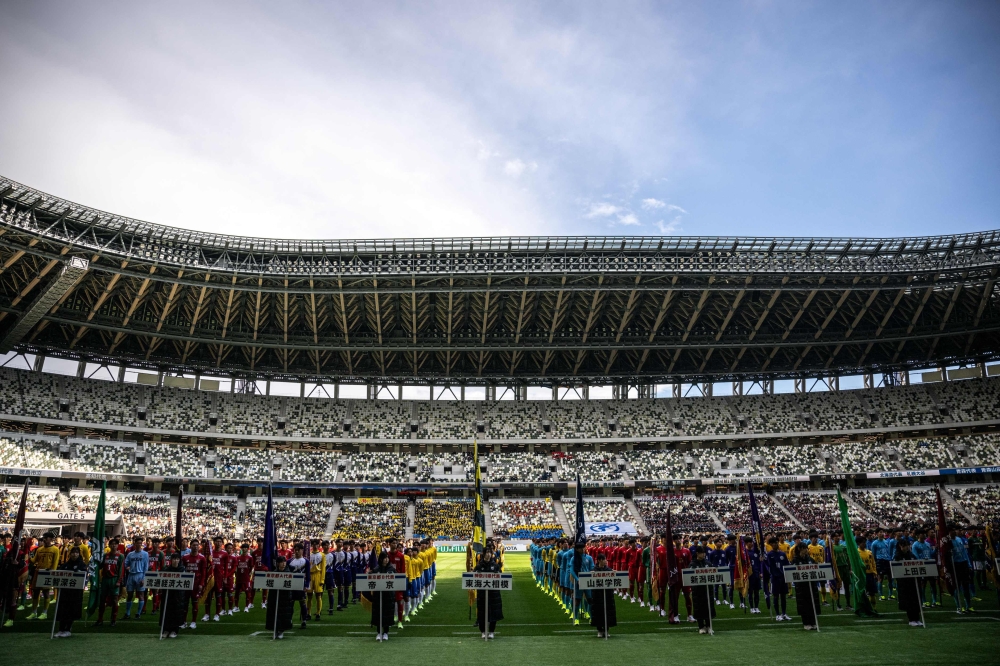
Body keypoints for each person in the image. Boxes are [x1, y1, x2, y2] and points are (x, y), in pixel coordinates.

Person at [53, 546, 87, 638]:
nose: (74, 554)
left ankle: (68, 629)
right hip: (65, 592)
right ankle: (61, 629)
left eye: (76, 552)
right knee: (63, 610)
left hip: (75, 593)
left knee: (71, 610)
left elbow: (84, 576)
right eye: (73, 552)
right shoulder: (65, 565)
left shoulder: (82, 565)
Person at [26, 532, 60, 620]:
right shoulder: (39, 549)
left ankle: (45, 612)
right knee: (35, 593)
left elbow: (55, 563)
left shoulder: (55, 549)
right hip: (38, 573)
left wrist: (52, 572)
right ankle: (34, 612)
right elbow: (34, 560)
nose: (45, 539)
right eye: (44, 538)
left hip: (47, 574)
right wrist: (28, 557)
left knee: (46, 593)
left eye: (47, 538)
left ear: (51, 539)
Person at [94, 537, 125, 627]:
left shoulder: (120, 556)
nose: (113, 545)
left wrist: (119, 581)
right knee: (102, 600)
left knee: (115, 600)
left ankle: (113, 620)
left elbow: (121, 570)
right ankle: (100, 619)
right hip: (105, 580)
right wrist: (95, 561)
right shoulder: (105, 555)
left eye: (115, 544)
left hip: (114, 579)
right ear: (109, 545)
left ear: (117, 545)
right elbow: (100, 566)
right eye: (112, 544)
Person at [475, 545, 504, 639]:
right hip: (482, 593)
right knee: (482, 613)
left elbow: (501, 577)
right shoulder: (479, 566)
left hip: (493, 593)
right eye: (486, 552)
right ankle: (483, 632)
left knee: (493, 612)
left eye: (489, 552)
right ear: (483, 554)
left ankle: (491, 632)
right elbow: (473, 577)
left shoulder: (495, 565)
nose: (488, 554)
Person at [893, 539, 923, 626]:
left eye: (907, 545)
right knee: (909, 601)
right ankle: (911, 619)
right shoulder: (897, 557)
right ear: (900, 546)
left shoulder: (911, 555)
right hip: (905, 583)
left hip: (914, 581)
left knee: (916, 600)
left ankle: (917, 618)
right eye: (904, 546)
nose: (907, 547)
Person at [791, 542, 820, 630]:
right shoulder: (795, 560)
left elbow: (816, 568)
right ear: (800, 549)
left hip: (811, 585)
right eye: (805, 548)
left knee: (812, 604)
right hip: (801, 587)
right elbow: (792, 572)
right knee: (804, 605)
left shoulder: (810, 559)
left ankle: (813, 622)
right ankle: (806, 623)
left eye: (807, 548)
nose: (806, 550)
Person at [160, 551, 189, 639]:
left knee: (176, 611)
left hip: (178, 595)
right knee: (166, 610)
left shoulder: (182, 569)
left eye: (177, 559)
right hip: (168, 594)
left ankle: (174, 630)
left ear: (179, 560)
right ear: (171, 560)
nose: (175, 561)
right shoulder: (166, 569)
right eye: (174, 559)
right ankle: (166, 630)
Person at [369, 551, 396, 641]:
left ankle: (386, 632)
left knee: (387, 613)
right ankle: (379, 632)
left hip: (388, 595)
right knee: (378, 613)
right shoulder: (376, 569)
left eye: (387, 557)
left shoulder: (391, 569)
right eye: (384, 558)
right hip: (378, 595)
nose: (386, 559)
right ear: (380, 559)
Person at [265, 556, 294, 639]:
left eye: (284, 562)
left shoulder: (289, 572)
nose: (283, 564)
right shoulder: (274, 573)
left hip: (285, 597)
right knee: (274, 613)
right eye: (281, 562)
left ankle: (281, 630)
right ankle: (275, 629)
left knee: (283, 614)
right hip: (274, 596)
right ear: (278, 563)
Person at [588, 552, 617, 638]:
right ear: (599, 560)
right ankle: (599, 630)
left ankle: (606, 630)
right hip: (597, 595)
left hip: (608, 594)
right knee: (598, 611)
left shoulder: (609, 570)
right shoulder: (594, 571)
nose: (606, 561)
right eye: (604, 559)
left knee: (608, 610)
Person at [690, 546, 716, 635]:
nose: (703, 554)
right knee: (699, 608)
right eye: (702, 553)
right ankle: (701, 626)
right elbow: (690, 577)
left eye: (704, 553)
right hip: (697, 590)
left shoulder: (708, 563)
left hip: (707, 589)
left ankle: (709, 626)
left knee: (708, 607)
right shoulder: (693, 564)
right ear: (697, 553)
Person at [123, 535, 150, 619]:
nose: (139, 544)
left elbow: (146, 567)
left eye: (140, 543)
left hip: (140, 575)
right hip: (131, 575)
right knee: (130, 594)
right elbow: (126, 563)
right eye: (137, 543)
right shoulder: (130, 554)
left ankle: (138, 613)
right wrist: (127, 567)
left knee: (141, 594)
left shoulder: (145, 554)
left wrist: (144, 578)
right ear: (134, 544)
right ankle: (127, 613)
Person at [765, 536, 791, 621]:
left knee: (783, 596)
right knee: (776, 596)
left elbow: (787, 565)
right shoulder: (769, 555)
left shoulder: (782, 554)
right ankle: (777, 614)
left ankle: (784, 613)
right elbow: (767, 566)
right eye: (774, 543)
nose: (776, 544)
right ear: (771, 544)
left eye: (777, 542)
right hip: (775, 578)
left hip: (783, 577)